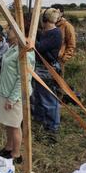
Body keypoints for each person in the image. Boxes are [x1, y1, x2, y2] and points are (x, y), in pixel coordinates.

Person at [0, 28, 35, 163]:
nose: (7, 30)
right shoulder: (12, 47)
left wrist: (12, 98)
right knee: (8, 123)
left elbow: (24, 78)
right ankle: (8, 148)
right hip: (6, 91)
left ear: (20, 33)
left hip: (15, 95)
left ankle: (16, 154)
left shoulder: (25, 51)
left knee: (14, 124)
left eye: (11, 29)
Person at [32, 8, 62, 141]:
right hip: (40, 67)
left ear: (44, 19)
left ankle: (52, 128)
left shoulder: (55, 33)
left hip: (48, 69)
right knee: (38, 96)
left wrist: (32, 38)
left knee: (49, 99)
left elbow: (39, 47)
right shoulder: (46, 32)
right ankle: (40, 121)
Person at [50, 4, 76, 71]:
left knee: (58, 80)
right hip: (47, 60)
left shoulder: (67, 26)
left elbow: (71, 45)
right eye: (52, 12)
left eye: (56, 12)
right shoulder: (48, 24)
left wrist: (63, 59)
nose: (54, 15)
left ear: (61, 13)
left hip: (59, 61)